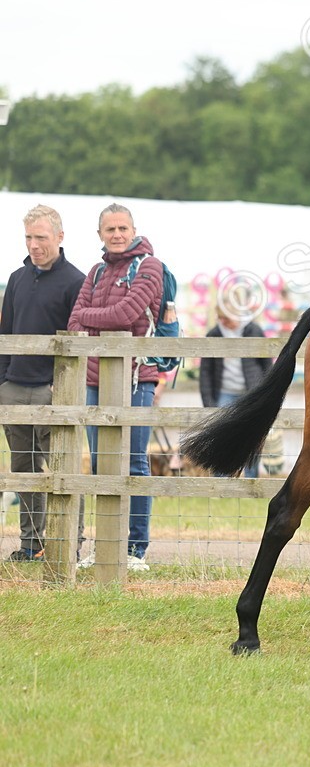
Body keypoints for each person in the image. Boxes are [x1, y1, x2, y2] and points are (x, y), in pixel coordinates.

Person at [70, 204, 165, 572]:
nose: (117, 235)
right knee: (101, 465)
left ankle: (136, 549)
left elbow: (126, 315)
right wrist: (90, 321)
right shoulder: (95, 272)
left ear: (134, 229)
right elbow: (72, 322)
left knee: (135, 463)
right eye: (110, 229)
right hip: (94, 380)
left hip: (137, 377)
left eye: (123, 228)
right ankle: (108, 543)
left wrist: (89, 319)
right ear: (100, 234)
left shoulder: (150, 267)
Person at [0, 205, 85, 561]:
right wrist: (2, 383)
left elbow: (78, 340)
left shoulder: (76, 281)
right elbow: (5, 333)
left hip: (53, 390)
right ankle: (30, 543)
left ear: (60, 237)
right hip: (14, 387)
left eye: (41, 237)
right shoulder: (17, 279)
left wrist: (59, 387)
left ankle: (69, 545)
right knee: (24, 472)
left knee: (63, 471)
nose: (34, 245)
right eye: (29, 238)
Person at [200, 305, 271, 477]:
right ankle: (221, 482)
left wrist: (266, 394)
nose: (224, 322)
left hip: (251, 393)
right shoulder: (214, 335)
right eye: (221, 318)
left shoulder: (254, 330)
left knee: (252, 437)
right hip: (224, 392)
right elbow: (206, 372)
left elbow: (267, 364)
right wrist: (209, 402)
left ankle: (251, 480)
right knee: (221, 438)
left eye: (227, 318)